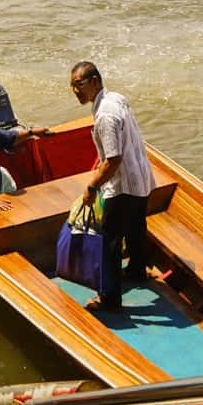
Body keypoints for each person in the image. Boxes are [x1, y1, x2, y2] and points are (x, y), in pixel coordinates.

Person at [70, 61, 155, 312]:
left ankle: (109, 298)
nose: (76, 91)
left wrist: (92, 186)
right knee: (136, 227)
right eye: (72, 86)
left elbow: (114, 160)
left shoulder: (105, 116)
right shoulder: (116, 98)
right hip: (141, 177)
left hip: (123, 185)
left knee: (109, 240)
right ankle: (139, 271)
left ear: (95, 81)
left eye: (79, 85)